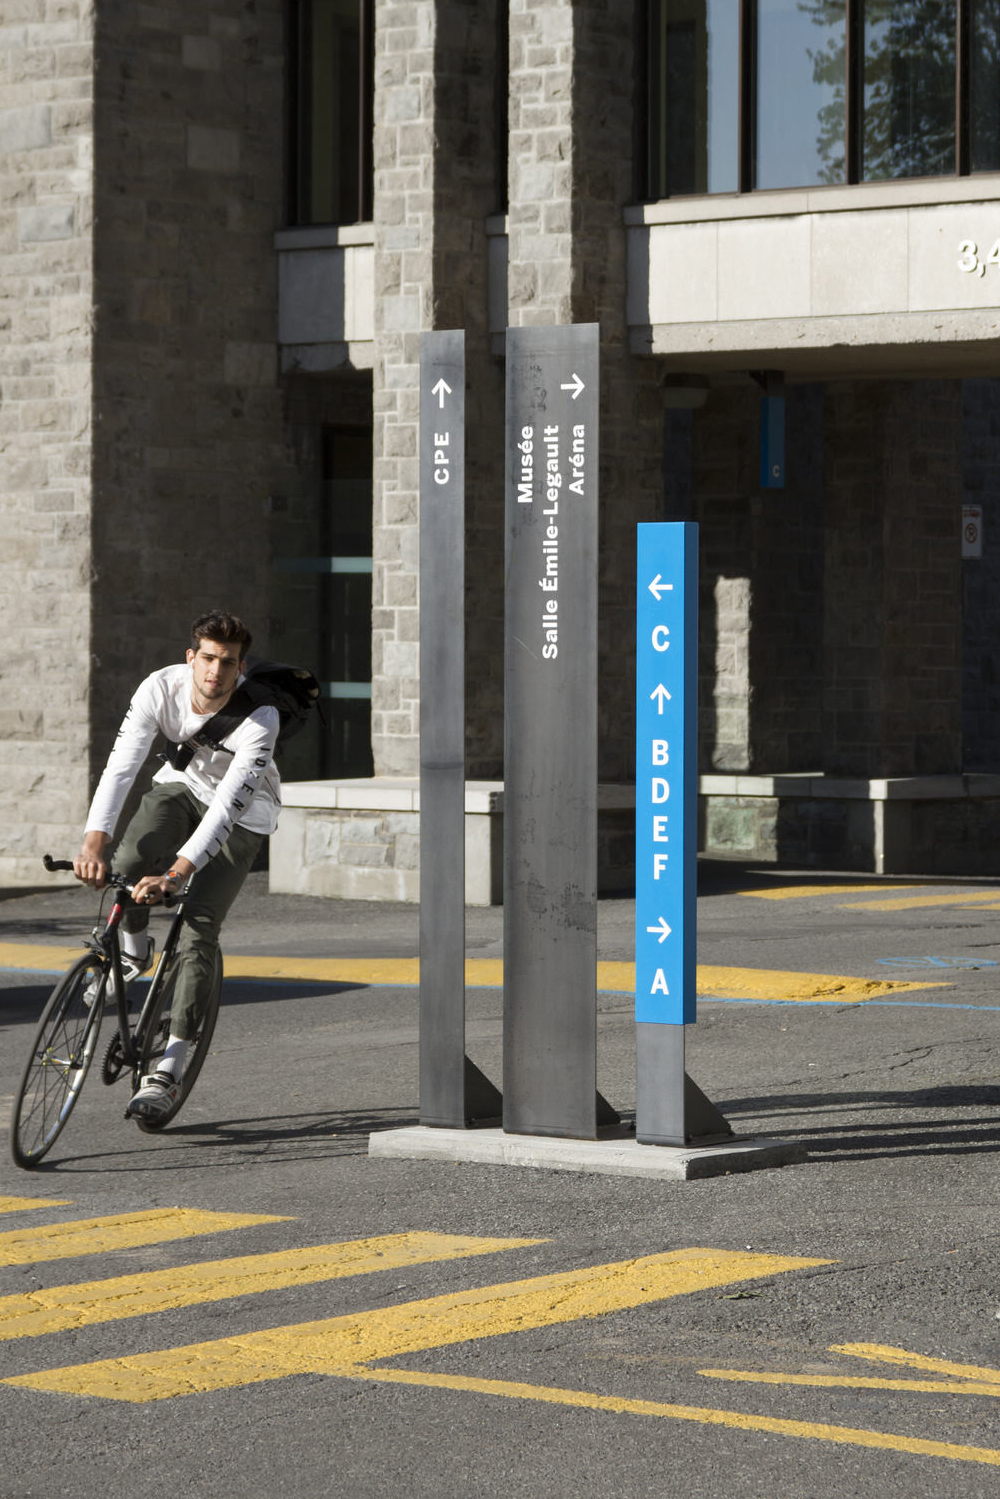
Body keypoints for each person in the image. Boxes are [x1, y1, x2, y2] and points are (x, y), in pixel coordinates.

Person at [74, 610, 281, 1122]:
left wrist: (177, 874)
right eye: (207, 658)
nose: (215, 671)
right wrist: (93, 844)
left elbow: (229, 806)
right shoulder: (159, 689)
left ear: (241, 667)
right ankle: (133, 949)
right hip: (183, 786)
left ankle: (169, 1066)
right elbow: (121, 765)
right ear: (191, 658)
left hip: (243, 815)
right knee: (128, 860)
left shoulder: (261, 718)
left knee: (197, 932)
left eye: (227, 662)